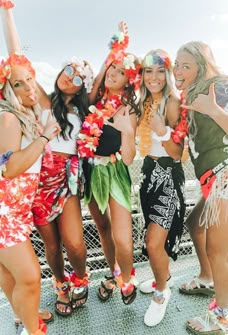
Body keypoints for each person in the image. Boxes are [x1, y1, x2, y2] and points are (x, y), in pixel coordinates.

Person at [1, 2, 96, 318]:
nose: (70, 78)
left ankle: (81, 278)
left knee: (74, 242)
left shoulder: (86, 112)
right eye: (68, 70)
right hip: (39, 178)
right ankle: (61, 284)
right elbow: (17, 60)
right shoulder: (40, 97)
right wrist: (8, 12)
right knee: (52, 247)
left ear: (84, 87)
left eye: (78, 77)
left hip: (67, 180)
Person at [173, 41, 228, 334]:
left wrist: (213, 110)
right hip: (213, 180)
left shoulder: (220, 88)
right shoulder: (191, 95)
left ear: (202, 64)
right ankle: (207, 279)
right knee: (195, 223)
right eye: (176, 64)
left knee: (218, 250)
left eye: (186, 65)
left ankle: (223, 318)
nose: (178, 70)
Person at [78, 25, 141, 305]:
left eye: (120, 72)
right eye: (111, 70)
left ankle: (127, 279)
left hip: (115, 172)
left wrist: (126, 131)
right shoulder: (94, 101)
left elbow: (128, 158)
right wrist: (113, 54)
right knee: (102, 228)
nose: (113, 74)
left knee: (123, 238)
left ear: (129, 82)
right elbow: (95, 84)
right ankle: (114, 273)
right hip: (91, 170)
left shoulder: (127, 110)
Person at [0, 50, 60, 335]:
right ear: (6, 91)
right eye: (17, 84)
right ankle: (32, 330)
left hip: (13, 212)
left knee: (11, 275)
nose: (27, 87)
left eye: (29, 80)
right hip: (5, 213)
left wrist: (8, 13)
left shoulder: (23, 116)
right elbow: (9, 168)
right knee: (30, 277)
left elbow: (17, 53)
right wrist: (45, 136)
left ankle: (24, 316)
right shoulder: (10, 119)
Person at [136, 49, 186, 327]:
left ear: (166, 73)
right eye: (147, 71)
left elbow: (178, 153)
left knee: (153, 242)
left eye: (158, 71)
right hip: (148, 174)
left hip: (167, 174)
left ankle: (161, 292)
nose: (153, 77)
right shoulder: (143, 102)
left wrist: (162, 132)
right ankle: (161, 276)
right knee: (153, 238)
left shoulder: (172, 103)